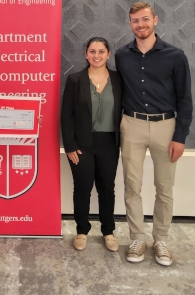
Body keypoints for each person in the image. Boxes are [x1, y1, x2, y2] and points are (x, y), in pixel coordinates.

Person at [115, 2, 192, 266]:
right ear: (130, 24)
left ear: (155, 20)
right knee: (132, 185)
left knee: (164, 187)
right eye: (135, 20)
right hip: (132, 124)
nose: (141, 24)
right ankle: (137, 237)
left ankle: (161, 239)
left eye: (145, 19)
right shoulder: (122, 55)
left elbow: (185, 99)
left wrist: (180, 136)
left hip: (165, 127)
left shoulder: (175, 55)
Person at [61, 37, 122, 252]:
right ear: (86, 54)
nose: (97, 56)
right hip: (81, 145)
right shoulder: (75, 80)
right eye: (92, 51)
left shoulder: (118, 79)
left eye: (101, 51)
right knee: (82, 189)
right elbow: (66, 116)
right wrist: (69, 145)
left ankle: (108, 231)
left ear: (108, 54)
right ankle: (81, 230)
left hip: (109, 144)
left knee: (107, 189)